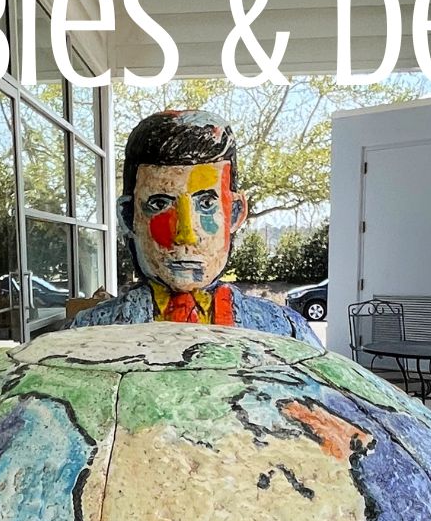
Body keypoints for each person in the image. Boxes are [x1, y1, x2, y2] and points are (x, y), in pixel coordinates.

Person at [71, 110, 322, 345]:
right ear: (128, 216)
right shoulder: (87, 336)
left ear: (234, 212)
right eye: (160, 203)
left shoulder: (286, 334)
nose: (186, 234)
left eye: (206, 203)